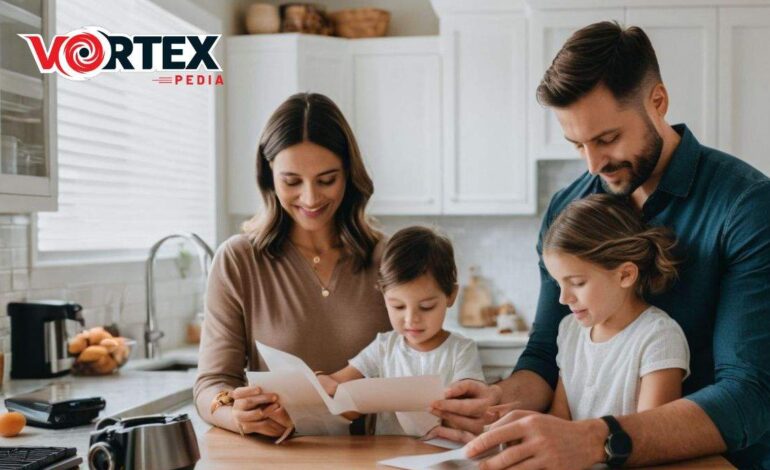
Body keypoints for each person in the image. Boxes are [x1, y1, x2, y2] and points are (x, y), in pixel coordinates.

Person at [429, 21, 770, 469]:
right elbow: (545, 354)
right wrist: (496, 401)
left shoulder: (746, 205)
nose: (593, 164)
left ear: (658, 102)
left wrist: (596, 439)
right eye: (577, 145)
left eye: (607, 139)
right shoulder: (567, 208)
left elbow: (749, 394)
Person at [193, 93, 391, 438]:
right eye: (292, 181)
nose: (311, 198)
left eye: (327, 179)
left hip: (379, 459)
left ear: (349, 173)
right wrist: (234, 414)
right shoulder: (239, 261)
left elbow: (423, 362)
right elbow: (212, 384)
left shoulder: (388, 258)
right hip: (280, 457)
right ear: (269, 176)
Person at [316, 226, 485, 436]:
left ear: (451, 295)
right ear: (384, 295)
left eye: (426, 307)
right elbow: (336, 382)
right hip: (387, 455)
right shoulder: (384, 348)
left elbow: (470, 409)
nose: (411, 319)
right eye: (398, 306)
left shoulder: (461, 350)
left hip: (443, 454)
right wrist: (319, 382)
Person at [542, 194, 689, 422]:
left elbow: (651, 435)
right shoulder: (569, 330)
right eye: (558, 283)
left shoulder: (659, 337)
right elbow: (560, 417)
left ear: (625, 275)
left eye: (577, 283)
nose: (563, 298)